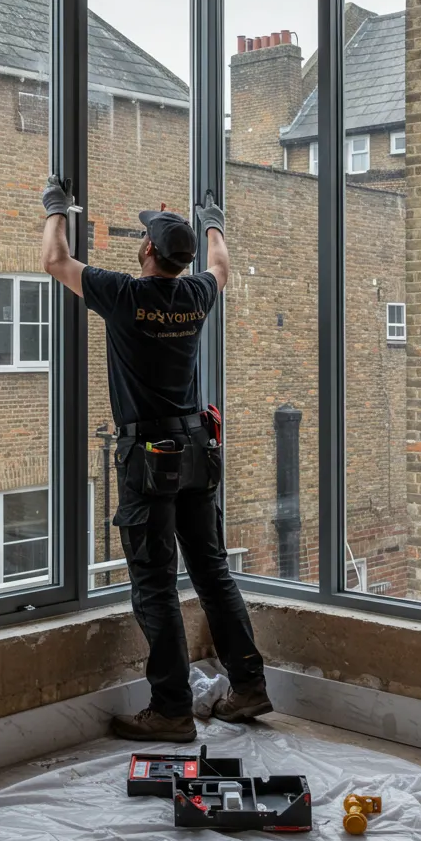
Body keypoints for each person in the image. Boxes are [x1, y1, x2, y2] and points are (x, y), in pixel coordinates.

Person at [40, 176, 271, 743]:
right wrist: (212, 219)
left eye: (144, 236)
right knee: (212, 571)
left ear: (147, 252)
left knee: (154, 581)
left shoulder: (126, 295)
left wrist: (56, 208)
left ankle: (170, 709)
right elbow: (220, 264)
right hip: (196, 448)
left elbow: (54, 260)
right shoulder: (195, 296)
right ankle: (248, 686)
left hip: (148, 456)